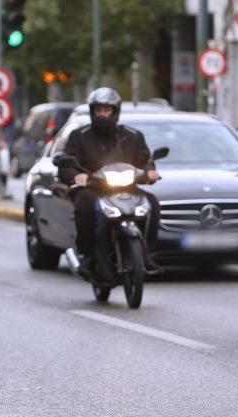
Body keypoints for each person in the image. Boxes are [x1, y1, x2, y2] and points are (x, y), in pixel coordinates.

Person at [57, 87, 162, 284]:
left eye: (107, 110)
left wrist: (150, 172)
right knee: (84, 204)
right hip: (94, 189)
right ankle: (87, 255)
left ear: (115, 111)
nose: (103, 115)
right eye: (99, 111)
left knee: (153, 203)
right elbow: (66, 164)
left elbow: (145, 161)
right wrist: (76, 175)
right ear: (92, 111)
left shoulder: (133, 136)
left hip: (127, 187)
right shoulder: (79, 136)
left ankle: (147, 254)